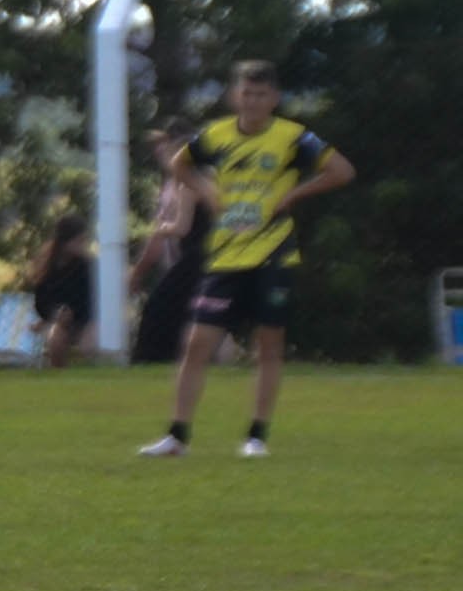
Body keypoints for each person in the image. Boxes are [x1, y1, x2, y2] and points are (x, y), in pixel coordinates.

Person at [140, 62, 354, 459]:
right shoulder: (216, 136)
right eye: (246, 93)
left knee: (268, 345)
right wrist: (206, 189)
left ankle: (256, 437)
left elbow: (342, 170)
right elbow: (179, 164)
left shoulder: (293, 138)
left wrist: (292, 196)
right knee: (196, 343)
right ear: (234, 96)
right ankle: (177, 436)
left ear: (273, 99)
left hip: (273, 254)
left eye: (261, 95)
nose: (252, 101)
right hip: (226, 255)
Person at [130, 127, 211, 367]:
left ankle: (151, 358)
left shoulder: (188, 187)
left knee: (158, 306)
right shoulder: (207, 183)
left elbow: (182, 228)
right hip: (207, 255)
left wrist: (160, 228)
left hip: (194, 257)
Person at [25, 215, 95, 368]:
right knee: (56, 337)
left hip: (87, 319)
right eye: (79, 241)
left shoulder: (87, 266)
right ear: (64, 242)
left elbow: (92, 299)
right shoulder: (48, 267)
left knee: (88, 345)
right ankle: (59, 375)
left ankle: (92, 377)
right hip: (61, 321)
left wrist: (78, 315)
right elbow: (41, 301)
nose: (83, 245)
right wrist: (54, 314)